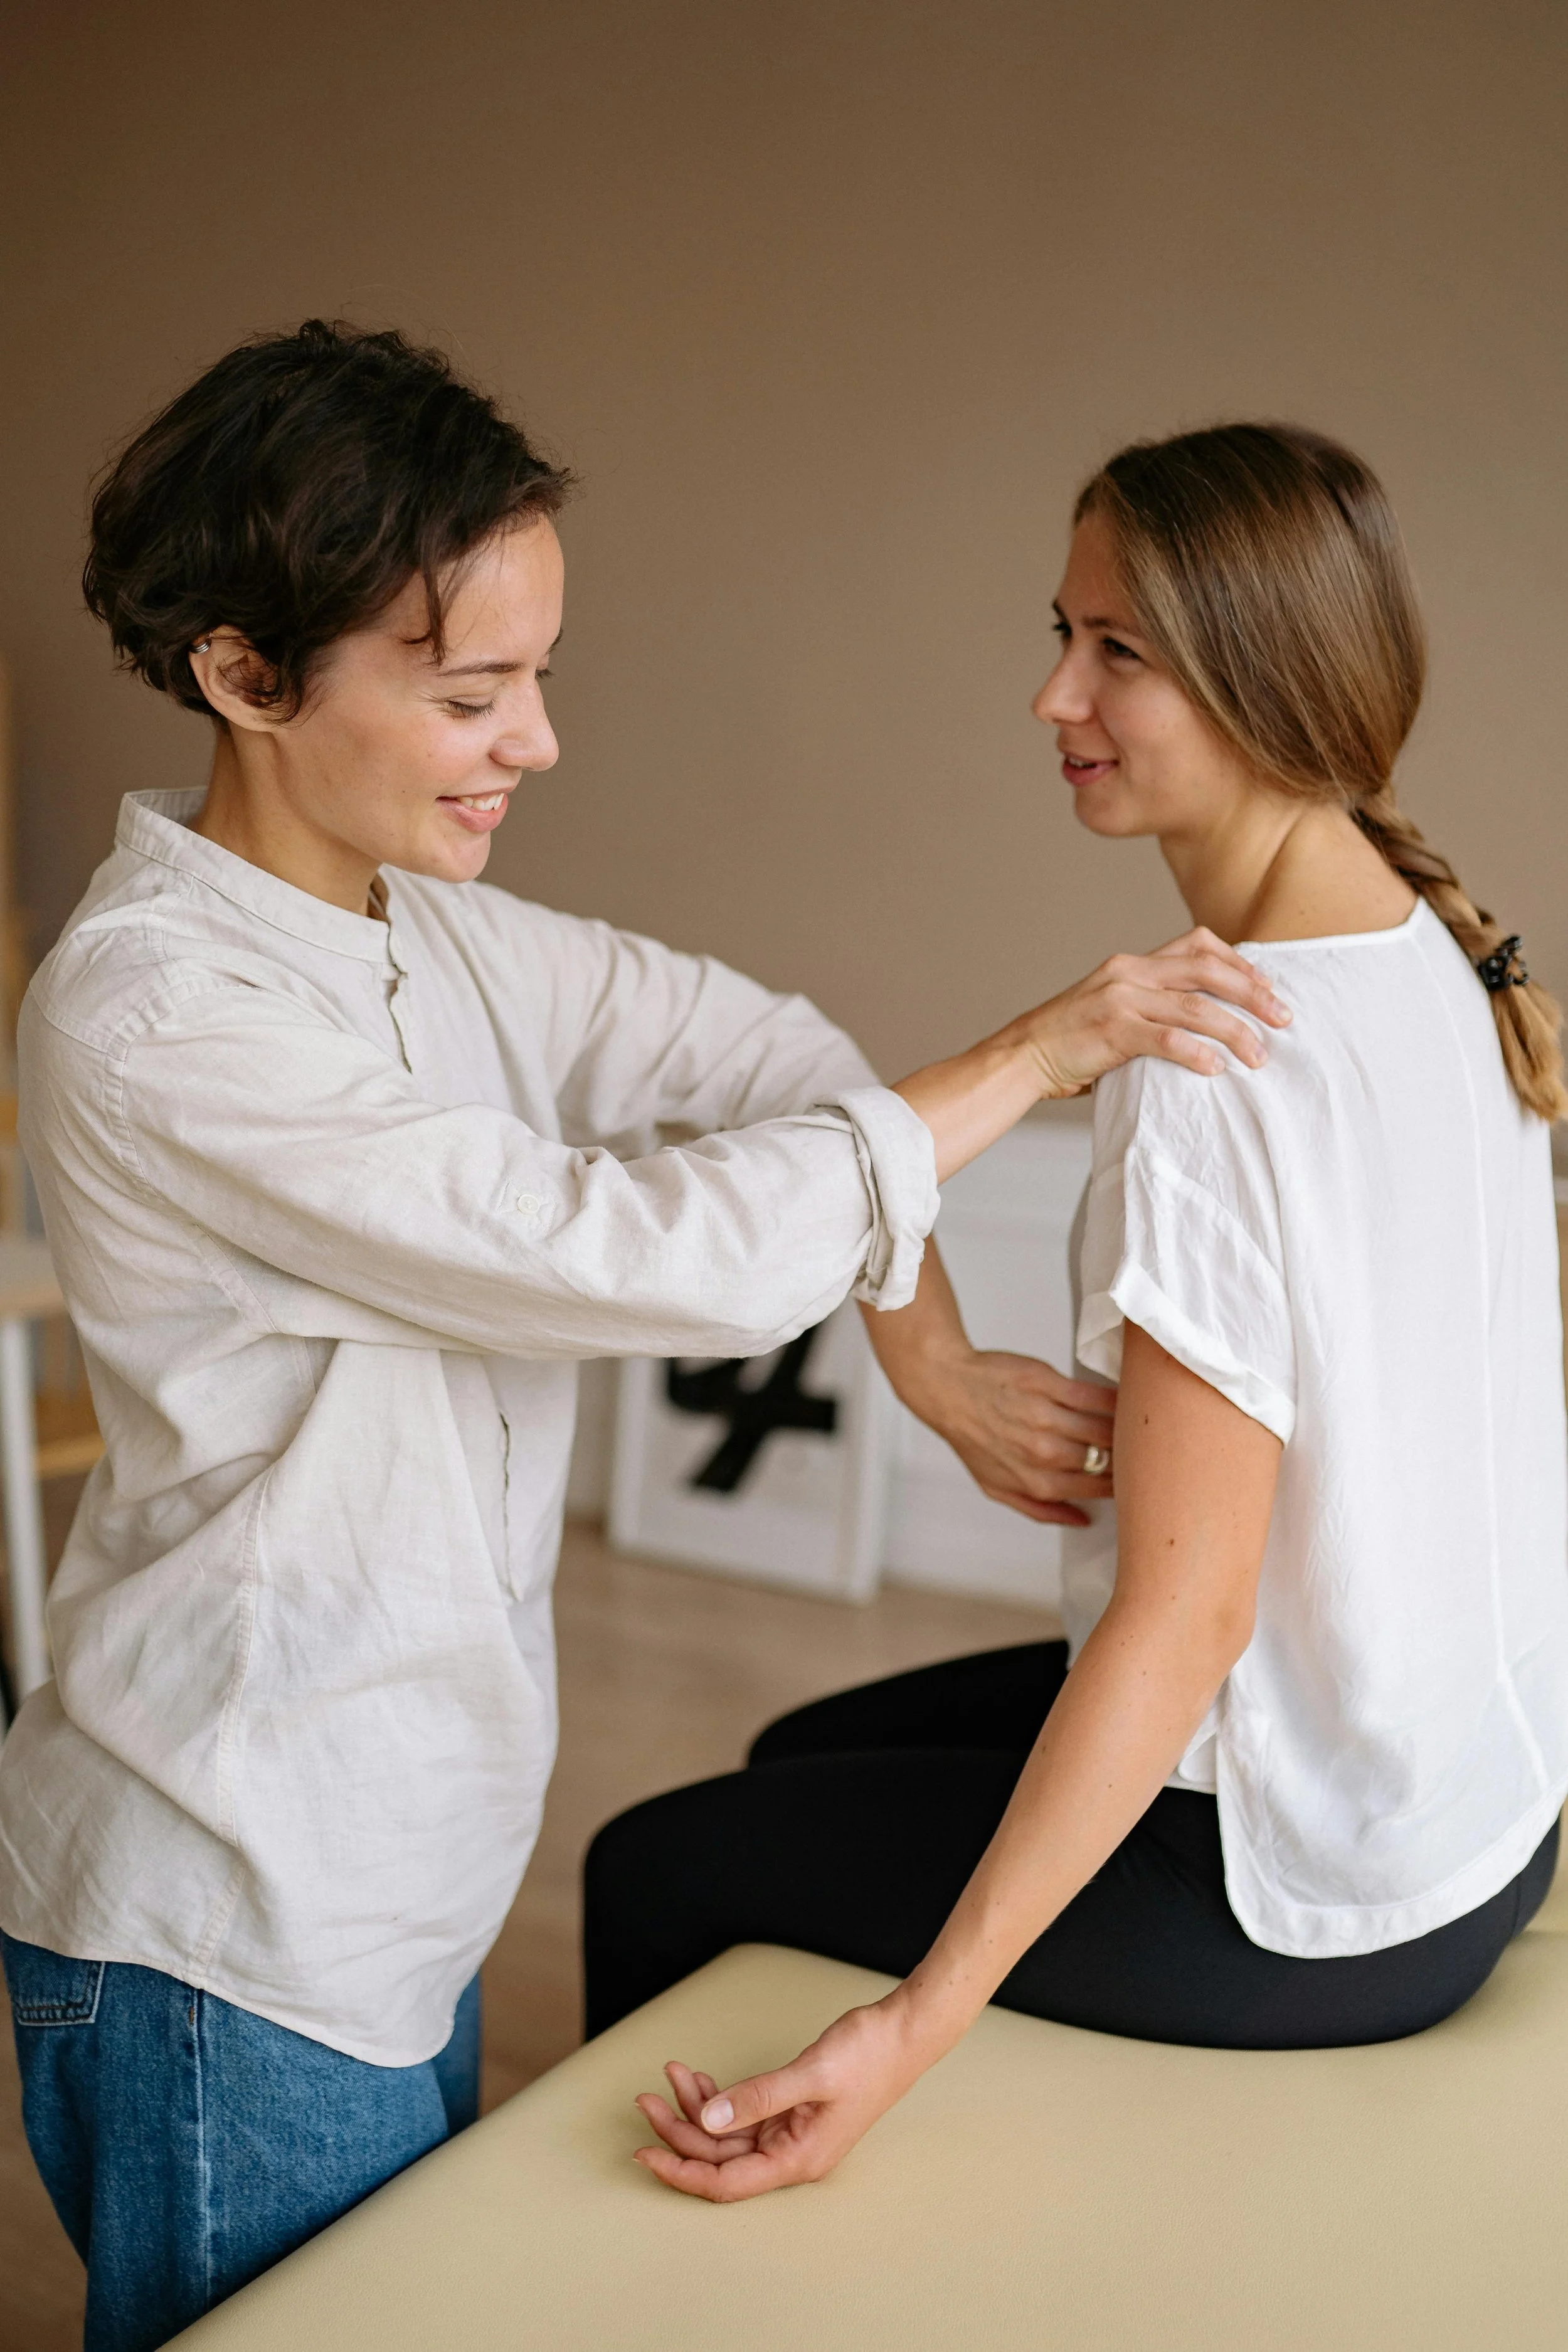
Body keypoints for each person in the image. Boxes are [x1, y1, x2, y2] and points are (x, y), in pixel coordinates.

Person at [0, 324, 1286, 2352]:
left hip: (398, 1867)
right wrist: (1040, 1051)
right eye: (468, 693)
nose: (533, 742)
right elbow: (617, 1249)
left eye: (539, 678)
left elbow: (773, 1058)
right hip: (225, 1915)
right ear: (243, 674)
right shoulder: (162, 1013)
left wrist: (930, 1359)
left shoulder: (424, 926)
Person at [590, 420, 1568, 2205]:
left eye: (1118, 650)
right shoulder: (1430, 948)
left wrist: (912, 2025)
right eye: (1063, 633)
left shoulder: (1210, 1062)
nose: (1054, 695)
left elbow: (1186, 1623)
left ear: (1264, 673)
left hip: (1306, 1895)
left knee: (652, 1870)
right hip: (1476, 1817)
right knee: (799, 1760)